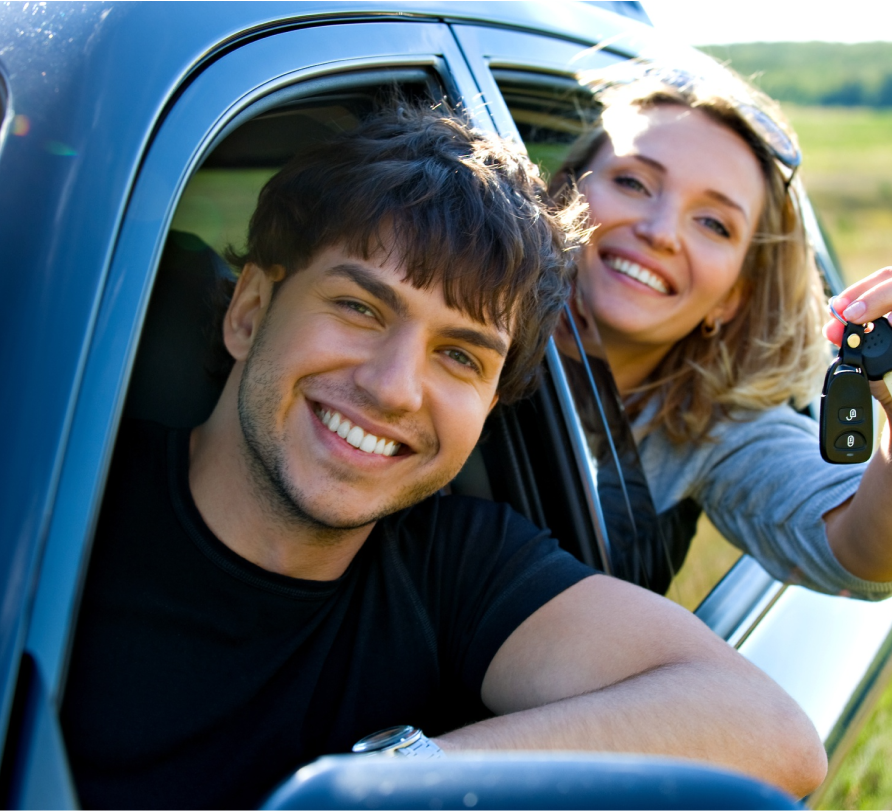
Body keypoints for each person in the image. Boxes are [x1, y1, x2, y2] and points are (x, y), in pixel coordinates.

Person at [59, 106, 827, 811]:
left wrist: (393, 784)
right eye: (360, 308)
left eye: (460, 355)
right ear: (250, 309)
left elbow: (774, 733)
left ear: (490, 407)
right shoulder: (52, 503)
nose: (394, 389)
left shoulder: (456, 566)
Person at [550, 66, 892, 599]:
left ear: (733, 297)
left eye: (713, 223)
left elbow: (869, 555)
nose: (661, 232)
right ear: (561, 196)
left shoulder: (709, 432)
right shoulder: (448, 306)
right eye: (632, 182)